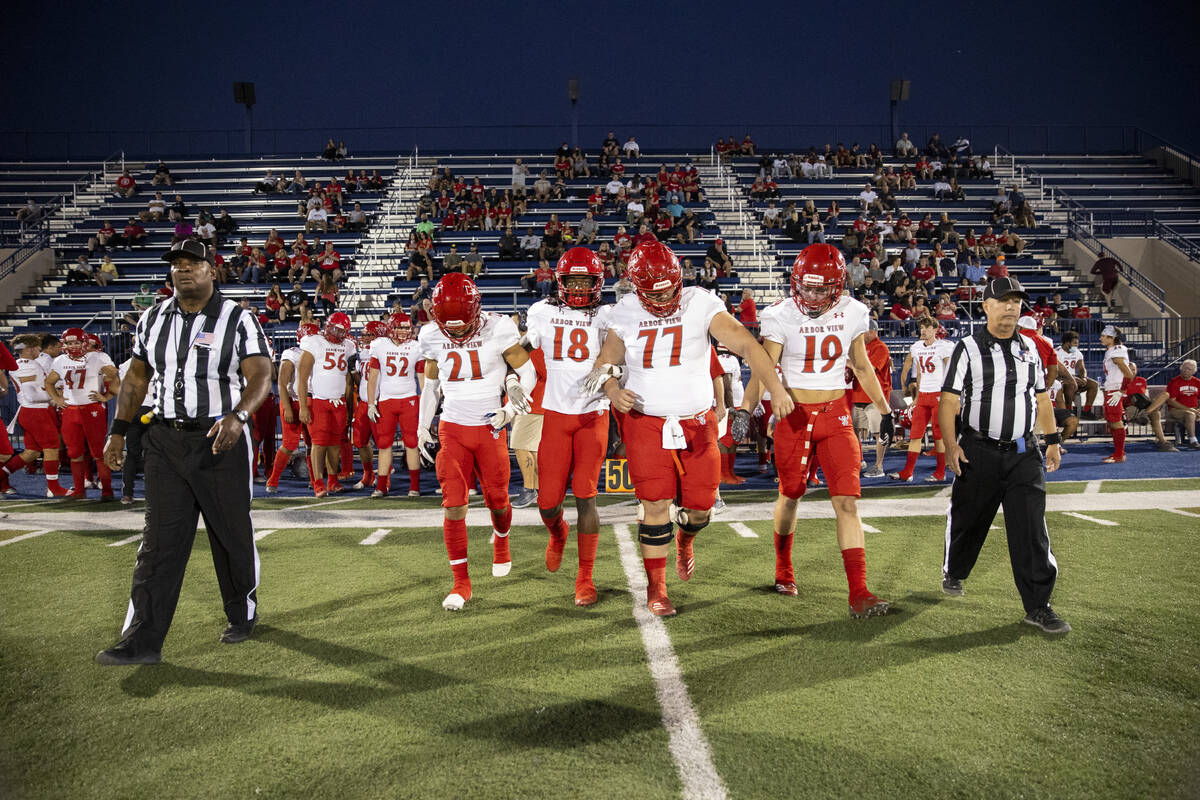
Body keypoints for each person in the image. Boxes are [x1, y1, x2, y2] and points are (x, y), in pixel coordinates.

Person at [587, 240, 794, 617]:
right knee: (654, 505)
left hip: (697, 424)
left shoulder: (700, 302)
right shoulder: (625, 311)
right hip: (646, 423)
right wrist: (613, 389)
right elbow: (605, 363)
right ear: (637, 287)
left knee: (699, 508)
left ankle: (686, 538)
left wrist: (776, 387)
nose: (665, 297)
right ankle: (657, 588)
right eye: (655, 292)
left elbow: (747, 345)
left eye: (669, 288)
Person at [96, 239, 273, 665]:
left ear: (213, 271)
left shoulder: (238, 319)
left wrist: (239, 416)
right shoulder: (153, 318)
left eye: (193, 263)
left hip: (220, 437)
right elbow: (137, 378)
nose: (183, 270)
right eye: (176, 264)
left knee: (229, 533)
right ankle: (141, 640)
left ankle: (241, 613)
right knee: (158, 542)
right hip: (164, 439)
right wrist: (118, 431)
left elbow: (261, 374)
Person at [731, 244, 895, 617]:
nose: (814, 296)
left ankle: (859, 592)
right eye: (808, 287)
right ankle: (783, 567)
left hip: (836, 414)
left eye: (822, 289)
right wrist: (745, 407)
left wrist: (884, 410)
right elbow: (764, 367)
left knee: (847, 500)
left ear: (838, 286)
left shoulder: (853, 312)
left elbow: (862, 365)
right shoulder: (780, 315)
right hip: (795, 415)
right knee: (790, 495)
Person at [939, 276, 1069, 634]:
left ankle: (1038, 605)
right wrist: (951, 446)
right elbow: (948, 401)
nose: (1012, 307)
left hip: (1024, 452)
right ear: (986, 306)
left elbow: (1041, 398)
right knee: (970, 520)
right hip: (978, 449)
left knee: (1031, 528)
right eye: (1004, 300)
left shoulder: (1030, 347)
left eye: (1016, 301)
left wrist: (1053, 439)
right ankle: (955, 570)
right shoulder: (967, 348)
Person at [415, 274, 537, 612]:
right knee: (454, 504)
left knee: (497, 500)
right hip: (452, 427)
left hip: (490, 426)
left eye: (460, 324)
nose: (453, 332)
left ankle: (501, 540)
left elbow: (529, 374)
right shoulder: (430, 335)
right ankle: (461, 583)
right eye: (447, 326)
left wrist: (511, 409)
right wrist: (423, 425)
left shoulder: (498, 328)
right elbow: (431, 385)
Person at [524, 248, 612, 606]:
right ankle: (557, 533)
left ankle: (585, 577)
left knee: (586, 496)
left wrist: (610, 372)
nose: (577, 287)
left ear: (597, 283)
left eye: (584, 281)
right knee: (547, 502)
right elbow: (522, 353)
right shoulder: (542, 312)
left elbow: (622, 359)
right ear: (560, 282)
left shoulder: (608, 315)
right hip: (557, 415)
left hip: (594, 414)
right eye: (572, 280)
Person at [44, 328, 120, 499]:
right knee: (75, 453)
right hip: (71, 410)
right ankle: (79, 490)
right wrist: (56, 399)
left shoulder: (97, 357)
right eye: (69, 343)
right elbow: (49, 382)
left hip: (92, 408)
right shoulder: (60, 360)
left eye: (76, 342)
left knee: (98, 452)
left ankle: (107, 490)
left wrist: (107, 396)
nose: (73, 346)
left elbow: (116, 377)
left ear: (84, 342)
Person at [0, 334, 68, 496]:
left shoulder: (28, 364)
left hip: (33, 411)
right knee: (51, 448)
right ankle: (53, 488)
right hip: (35, 411)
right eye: (37, 347)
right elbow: (31, 395)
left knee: (32, 452)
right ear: (29, 349)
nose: (39, 349)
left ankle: (1, 476)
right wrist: (56, 397)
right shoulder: (26, 366)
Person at [297, 312, 356, 497]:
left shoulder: (349, 346)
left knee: (334, 444)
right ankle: (317, 483)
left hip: (338, 401)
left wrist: (348, 405)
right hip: (319, 400)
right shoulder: (314, 342)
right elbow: (302, 377)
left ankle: (332, 480)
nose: (339, 335)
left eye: (342, 331)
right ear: (328, 327)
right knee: (318, 443)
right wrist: (303, 406)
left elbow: (349, 379)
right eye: (336, 330)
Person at [366, 313, 425, 496]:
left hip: (409, 399)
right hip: (386, 400)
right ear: (391, 328)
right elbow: (372, 377)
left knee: (411, 443)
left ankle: (414, 487)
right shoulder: (380, 345)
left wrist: (425, 404)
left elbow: (422, 379)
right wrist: (370, 403)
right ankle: (381, 486)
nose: (404, 331)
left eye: (407, 328)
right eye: (400, 327)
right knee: (384, 445)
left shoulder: (416, 347)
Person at [891, 318, 955, 482]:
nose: (923, 330)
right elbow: (919, 373)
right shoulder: (917, 347)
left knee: (938, 436)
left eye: (927, 327)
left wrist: (950, 395)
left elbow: (951, 371)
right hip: (924, 396)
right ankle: (908, 472)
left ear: (935, 329)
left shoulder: (944, 346)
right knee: (915, 435)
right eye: (921, 327)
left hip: (938, 395)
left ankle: (940, 473)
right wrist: (918, 396)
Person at [264, 323, 320, 493]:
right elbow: (281, 383)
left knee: (313, 443)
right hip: (293, 400)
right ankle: (273, 480)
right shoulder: (292, 354)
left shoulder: (319, 352)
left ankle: (315, 480)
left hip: (312, 400)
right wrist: (287, 407)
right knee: (289, 443)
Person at [849, 319, 892, 478]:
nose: (861, 334)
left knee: (879, 433)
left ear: (873, 331)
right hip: (858, 395)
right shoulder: (860, 348)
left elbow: (869, 369)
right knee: (854, 431)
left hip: (875, 398)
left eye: (864, 331)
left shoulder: (880, 347)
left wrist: (846, 362)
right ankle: (859, 460)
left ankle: (879, 465)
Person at [1099, 325, 1134, 464]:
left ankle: (1119, 455)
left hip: (1115, 389)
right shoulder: (1113, 350)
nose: (1100, 338)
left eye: (1103, 336)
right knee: (1113, 421)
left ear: (1111, 338)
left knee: (1116, 421)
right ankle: (1118, 453)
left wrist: (1122, 391)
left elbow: (1128, 374)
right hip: (1112, 389)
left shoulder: (1115, 351)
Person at [1165, 359, 1200, 449]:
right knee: (1190, 414)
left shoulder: (1197, 382)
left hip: (1194, 409)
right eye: (1184, 368)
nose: (1186, 371)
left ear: (1194, 371)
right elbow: (1171, 401)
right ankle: (1193, 440)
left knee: (1192, 413)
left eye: (1189, 369)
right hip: (1176, 410)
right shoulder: (1174, 382)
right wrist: (1189, 409)